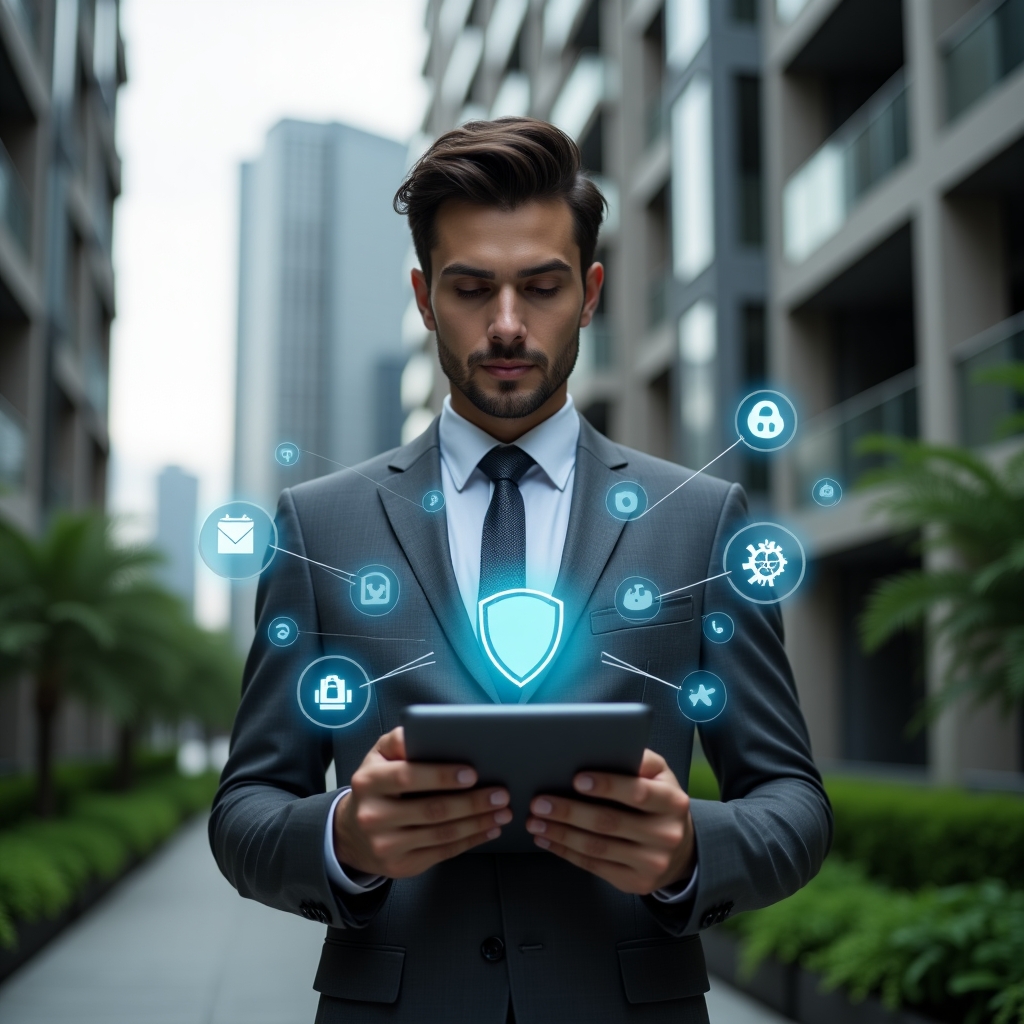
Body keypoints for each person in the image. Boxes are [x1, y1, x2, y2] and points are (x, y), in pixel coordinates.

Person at [210, 117, 832, 1024]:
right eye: (471, 289)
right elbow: (245, 813)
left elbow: (794, 804)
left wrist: (689, 849)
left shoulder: (699, 522)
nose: (506, 326)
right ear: (424, 298)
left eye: (540, 287)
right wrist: (342, 837)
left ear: (589, 293)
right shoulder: (318, 527)